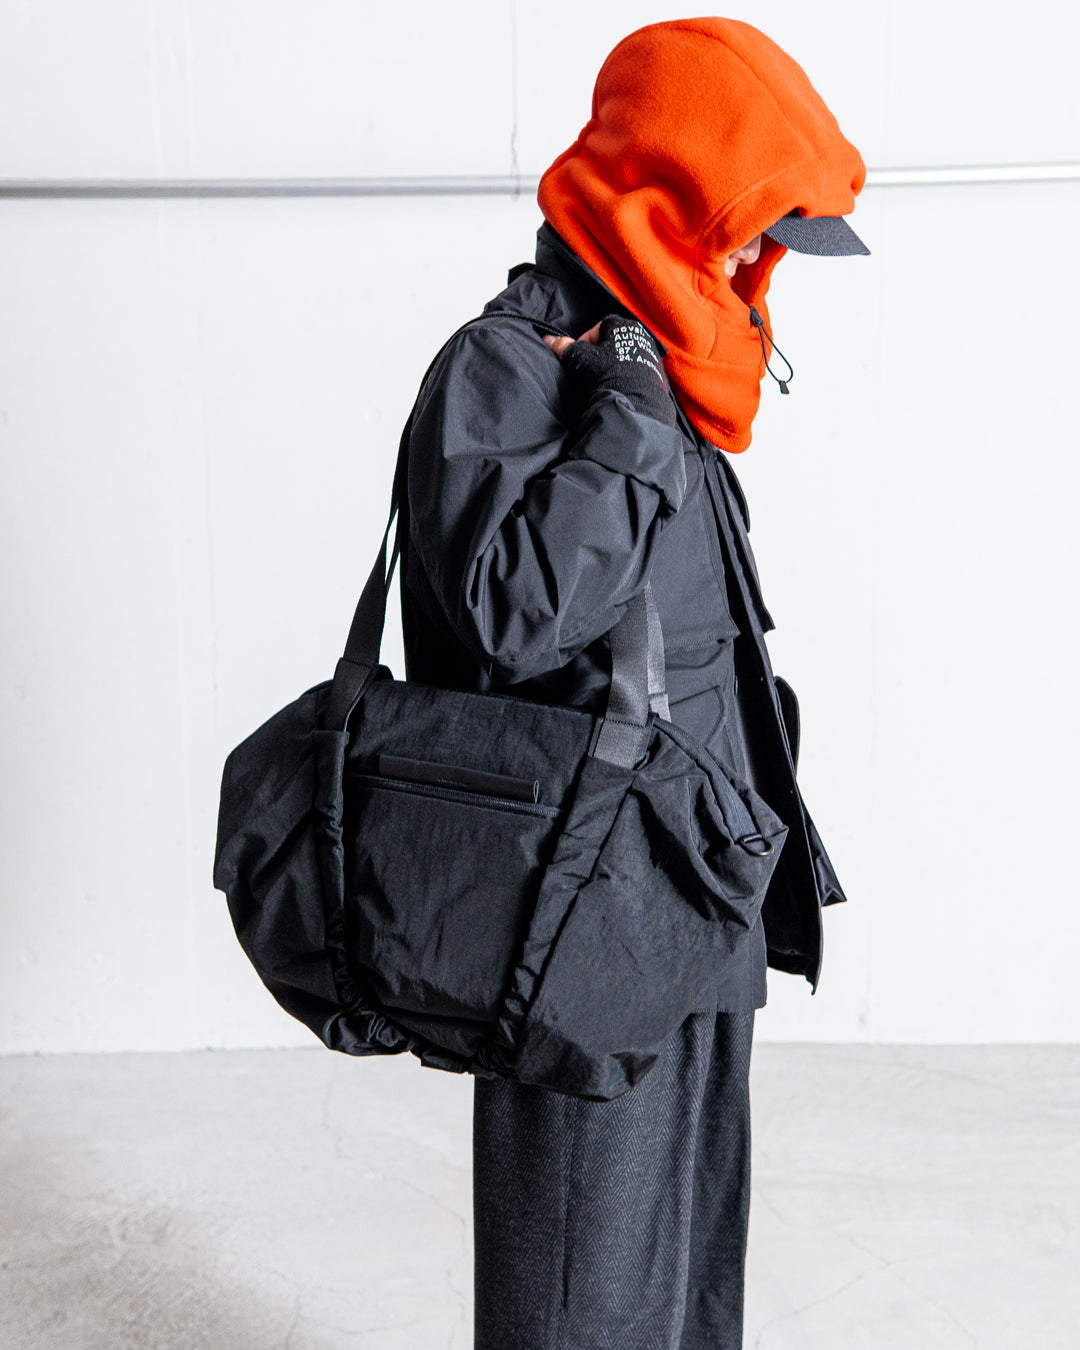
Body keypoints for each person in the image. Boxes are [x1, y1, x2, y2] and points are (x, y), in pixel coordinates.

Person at [398, 17, 869, 1350]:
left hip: (702, 877)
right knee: (580, 1283)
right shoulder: (511, 367)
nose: (757, 268)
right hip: (583, 913)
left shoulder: (658, 363)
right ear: (665, 203)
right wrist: (627, 424)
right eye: (748, 234)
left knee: (689, 1271)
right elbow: (512, 620)